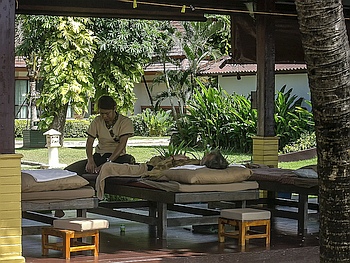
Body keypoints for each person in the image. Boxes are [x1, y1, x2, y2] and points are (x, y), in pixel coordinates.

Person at [65, 95, 135, 175]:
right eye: (102, 113)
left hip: (117, 158)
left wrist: (108, 163)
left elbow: (122, 144)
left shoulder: (125, 121)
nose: (104, 116)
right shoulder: (97, 121)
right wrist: (90, 161)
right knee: (69, 171)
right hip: (99, 156)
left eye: (107, 113)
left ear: (114, 108)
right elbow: (89, 142)